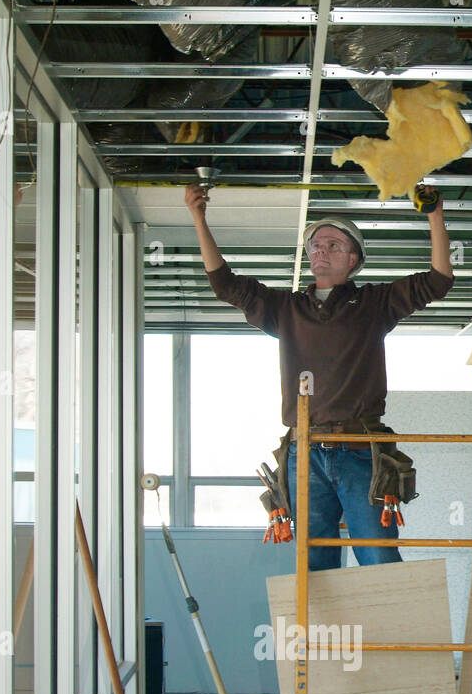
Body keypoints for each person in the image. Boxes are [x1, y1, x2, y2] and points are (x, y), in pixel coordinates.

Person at [184, 183, 454, 570]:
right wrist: (198, 216)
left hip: (360, 449)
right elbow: (225, 285)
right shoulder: (286, 308)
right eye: (315, 245)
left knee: (378, 555)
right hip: (304, 451)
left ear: (354, 260)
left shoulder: (375, 303)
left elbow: (439, 280)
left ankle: (388, 630)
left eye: (333, 245)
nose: (321, 251)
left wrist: (434, 215)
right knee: (314, 562)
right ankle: (323, 633)